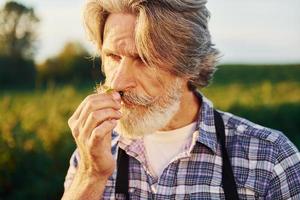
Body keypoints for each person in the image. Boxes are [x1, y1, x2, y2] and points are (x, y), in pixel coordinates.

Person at [62, 0, 300, 199]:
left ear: (188, 64)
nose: (118, 83)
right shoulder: (92, 153)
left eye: (144, 59)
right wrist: (91, 174)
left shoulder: (270, 159)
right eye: (113, 56)